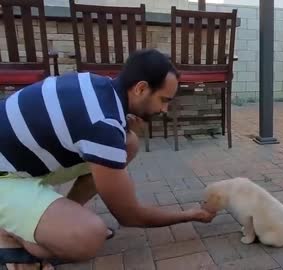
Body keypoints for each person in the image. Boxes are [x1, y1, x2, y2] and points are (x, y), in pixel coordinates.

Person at [0, 49, 217, 269]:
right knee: (87, 237)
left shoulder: (100, 85)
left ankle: (58, 217)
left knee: (127, 143)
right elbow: (130, 216)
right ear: (141, 88)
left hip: (22, 161)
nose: (164, 109)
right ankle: (9, 233)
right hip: (5, 178)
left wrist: (123, 131)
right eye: (163, 100)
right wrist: (189, 215)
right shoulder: (103, 125)